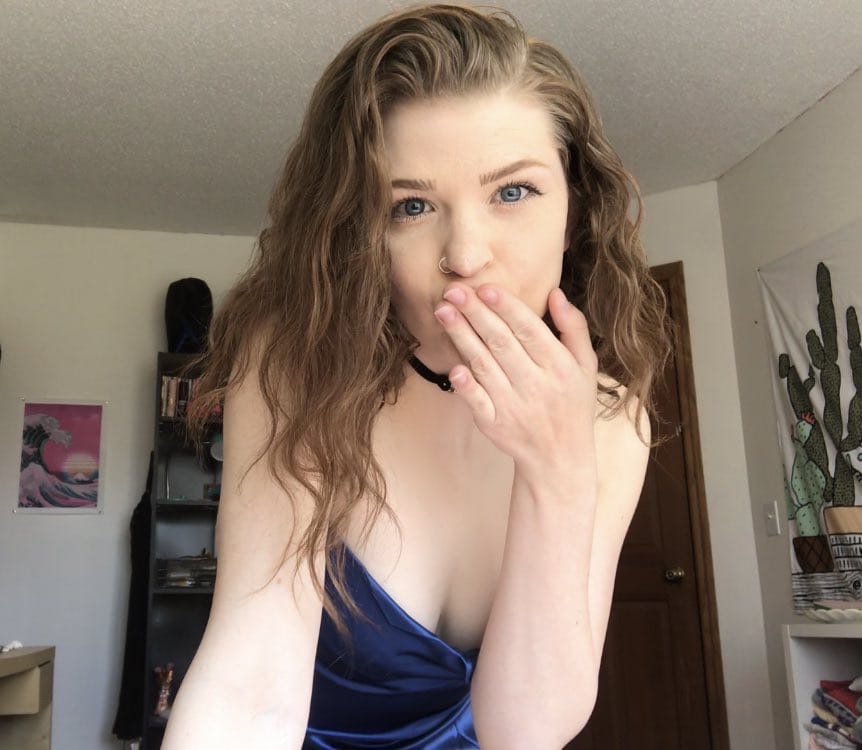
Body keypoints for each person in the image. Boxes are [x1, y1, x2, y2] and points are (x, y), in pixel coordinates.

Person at [163, 4, 673, 749]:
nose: (464, 255)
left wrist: (558, 471)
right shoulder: (300, 369)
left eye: (513, 192)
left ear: (575, 211)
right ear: (361, 234)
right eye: (411, 206)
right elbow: (250, 689)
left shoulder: (612, 421)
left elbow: (524, 732)